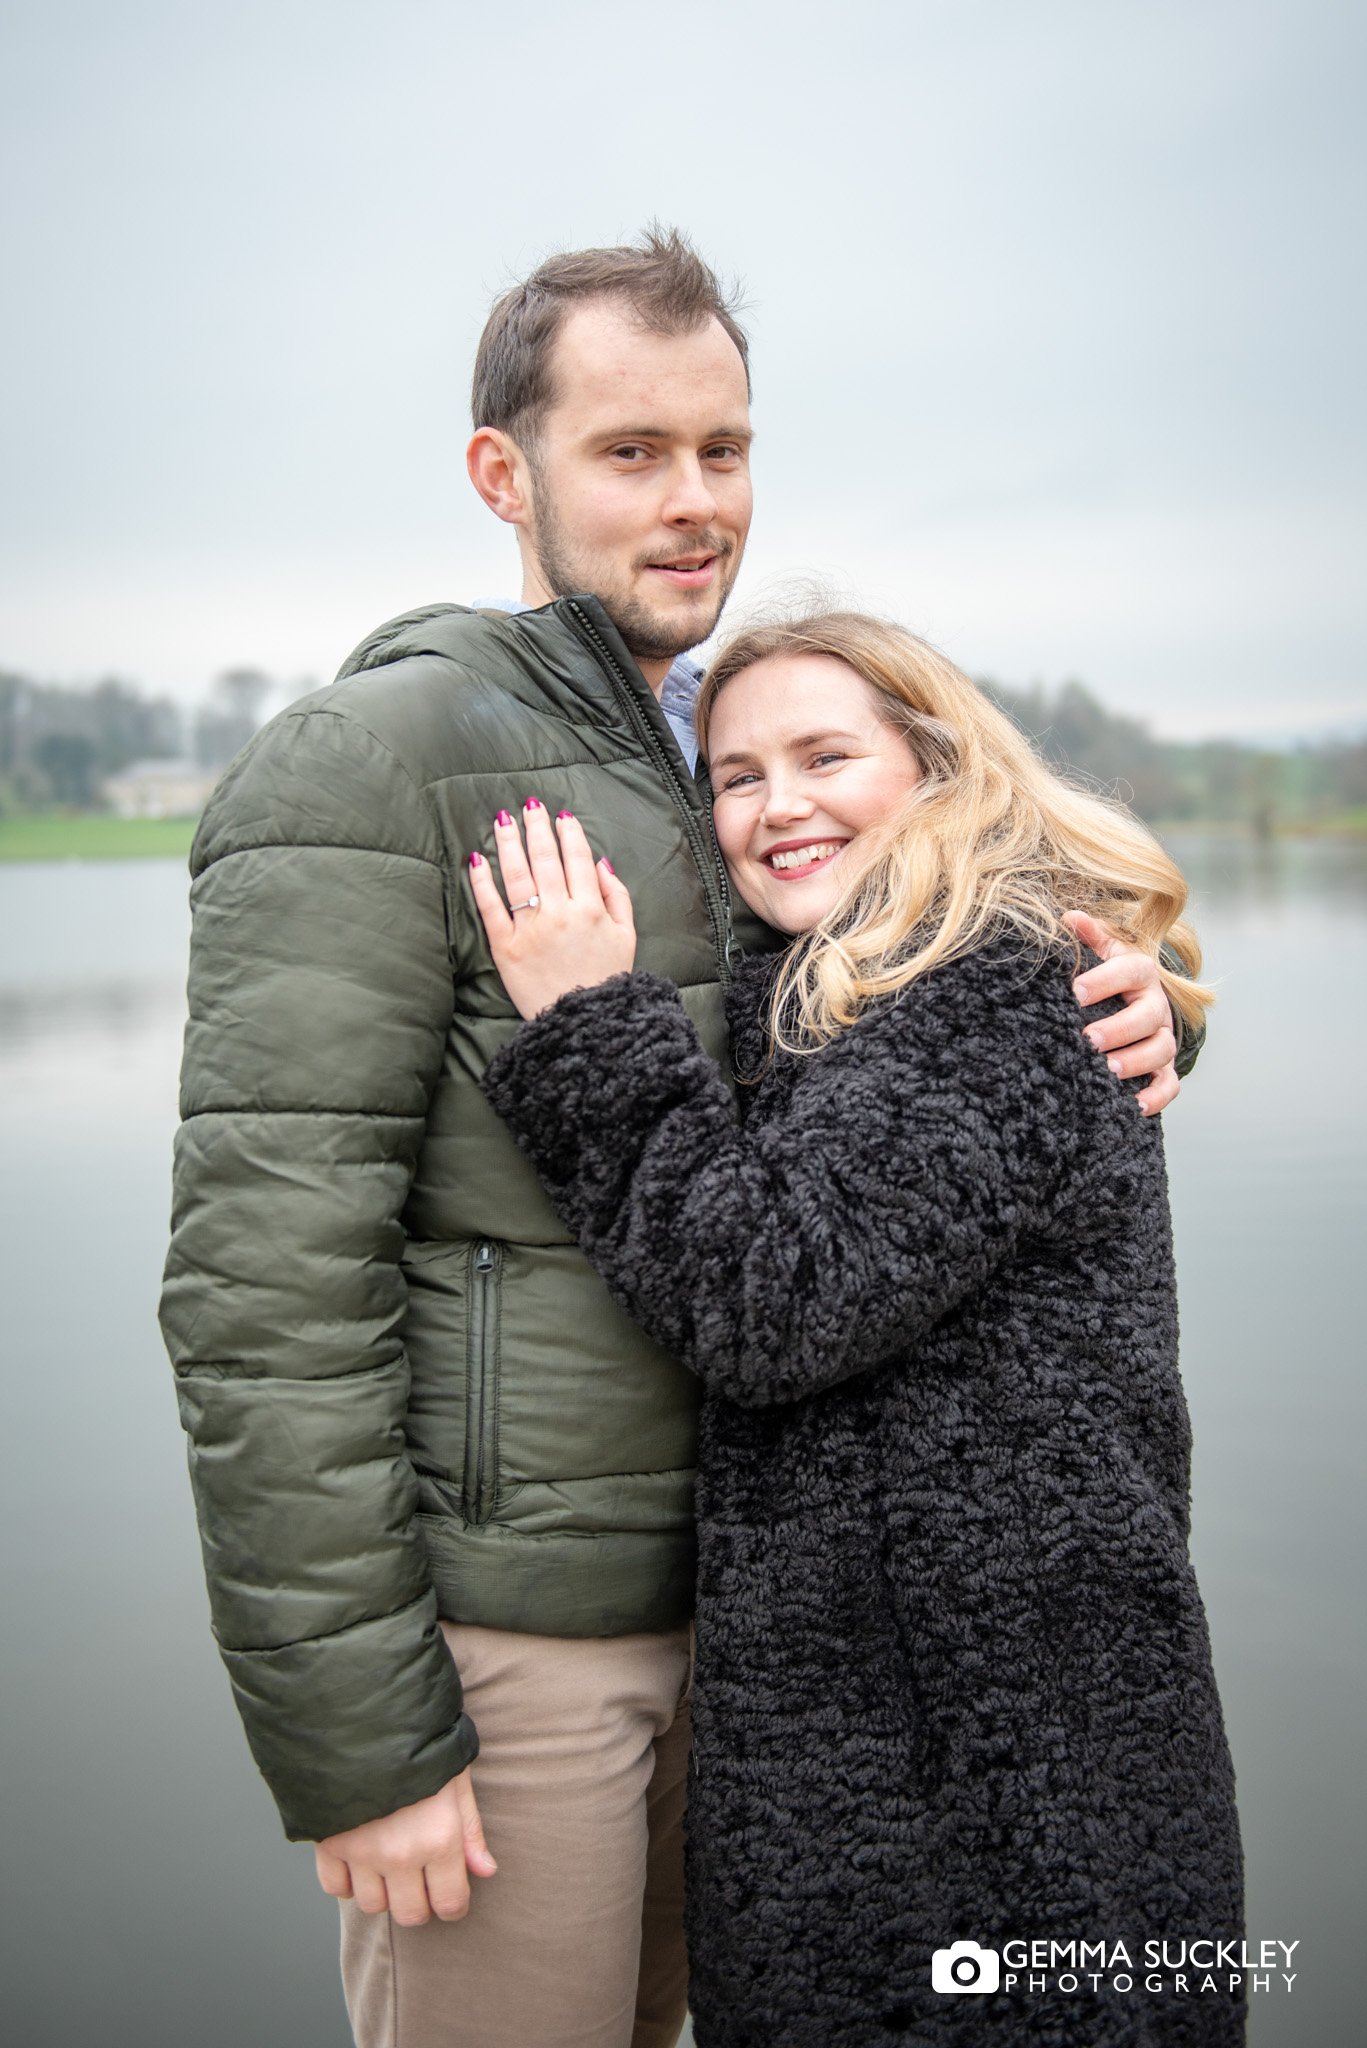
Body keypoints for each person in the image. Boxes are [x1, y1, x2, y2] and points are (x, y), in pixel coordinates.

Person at [158, 231, 1202, 2048]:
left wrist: (1153, 1003)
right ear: (508, 473)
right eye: (631, 451)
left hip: (779, 1643)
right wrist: (359, 1739)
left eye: (725, 449)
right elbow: (265, 1288)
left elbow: (902, 1031)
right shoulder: (374, 759)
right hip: (520, 1658)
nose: (695, 498)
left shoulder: (691, 747)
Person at [467, 611, 1244, 2047]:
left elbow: (771, 1293)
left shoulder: (1006, 983)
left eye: (827, 755)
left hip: (1005, 1807)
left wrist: (586, 1015)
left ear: (940, 768)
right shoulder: (850, 981)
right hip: (904, 1770)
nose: (781, 805)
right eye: (738, 775)